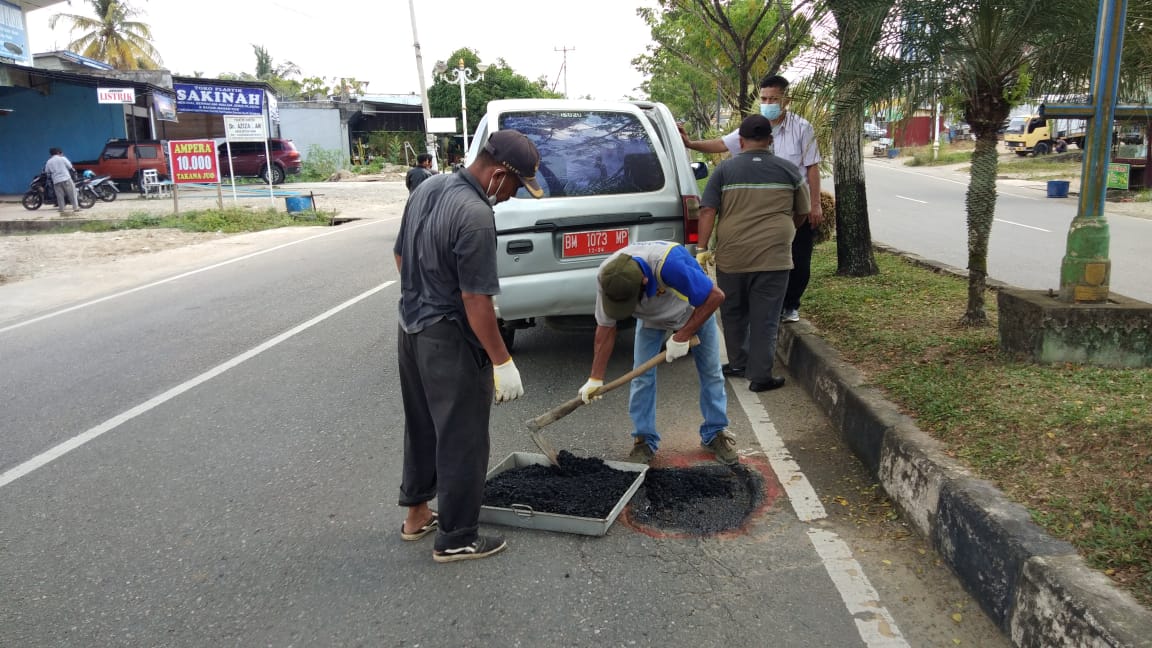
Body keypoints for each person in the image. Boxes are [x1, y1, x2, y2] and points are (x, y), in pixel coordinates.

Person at [393, 129, 543, 563]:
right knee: (463, 438)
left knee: (422, 425)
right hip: (449, 338)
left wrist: (421, 294)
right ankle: (457, 537)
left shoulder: (429, 186)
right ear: (498, 174)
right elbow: (475, 300)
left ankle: (417, 515)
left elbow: (401, 256)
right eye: (515, 186)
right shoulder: (476, 215)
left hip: (411, 327)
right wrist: (502, 360)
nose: (513, 196)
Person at [578, 241, 736, 465]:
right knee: (641, 377)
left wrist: (682, 336)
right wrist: (595, 377)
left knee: (711, 372)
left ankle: (715, 433)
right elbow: (605, 328)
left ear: (644, 281)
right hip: (651, 320)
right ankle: (644, 440)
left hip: (693, 311)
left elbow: (716, 296)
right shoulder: (609, 276)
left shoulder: (670, 265)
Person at [681, 74, 823, 324]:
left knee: (799, 258)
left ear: (786, 100)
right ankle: (767, 303)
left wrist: (815, 205)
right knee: (768, 260)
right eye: (764, 98)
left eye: (773, 99)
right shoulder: (753, 128)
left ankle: (790, 304)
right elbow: (722, 144)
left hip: (794, 204)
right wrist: (691, 143)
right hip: (762, 207)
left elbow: (812, 167)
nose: (768, 103)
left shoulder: (803, 128)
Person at [696, 115, 810, 393]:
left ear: (741, 141)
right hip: (774, 256)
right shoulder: (789, 171)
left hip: (732, 255)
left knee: (733, 311)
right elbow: (803, 211)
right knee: (766, 316)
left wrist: (702, 248)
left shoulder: (724, 171)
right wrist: (785, 231)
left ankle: (738, 363)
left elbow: (708, 210)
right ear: (770, 141)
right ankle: (760, 376)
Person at [44, 147, 80, 214]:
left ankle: (62, 209)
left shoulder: (49, 161)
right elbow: (70, 166)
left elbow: (47, 171)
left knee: (60, 196)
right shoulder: (63, 158)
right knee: (72, 193)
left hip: (56, 181)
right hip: (66, 178)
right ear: (58, 152)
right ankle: (75, 207)